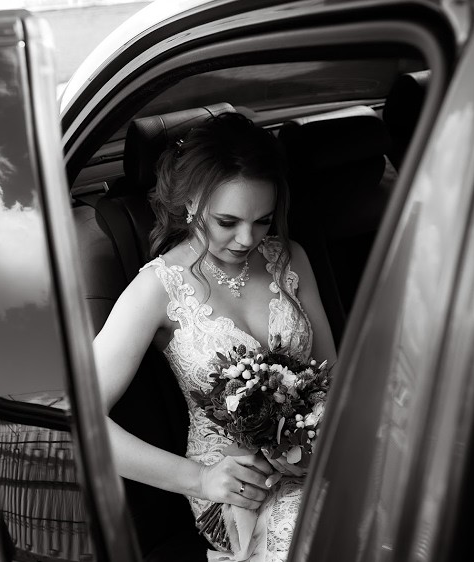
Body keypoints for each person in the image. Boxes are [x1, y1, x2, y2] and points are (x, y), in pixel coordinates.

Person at [93, 112, 338, 561]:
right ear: (191, 203)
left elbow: (331, 377)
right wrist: (200, 480)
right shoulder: (158, 287)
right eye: (228, 221)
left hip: (319, 458)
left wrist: (316, 442)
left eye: (262, 220)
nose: (247, 238)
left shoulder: (290, 258)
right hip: (235, 490)